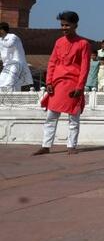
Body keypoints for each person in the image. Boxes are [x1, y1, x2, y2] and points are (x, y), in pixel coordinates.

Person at [33, 11, 92, 155]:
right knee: (51, 116)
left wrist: (80, 86)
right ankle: (46, 146)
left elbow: (85, 67)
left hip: (73, 83)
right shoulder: (59, 42)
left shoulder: (83, 43)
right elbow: (52, 62)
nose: (64, 28)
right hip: (57, 83)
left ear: (75, 25)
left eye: (67, 25)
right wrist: (49, 82)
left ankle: (71, 146)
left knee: (73, 116)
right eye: (62, 25)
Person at [0, 22, 33, 91]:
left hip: (17, 63)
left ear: (2, 30)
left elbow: (9, 45)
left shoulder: (13, 37)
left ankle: (8, 98)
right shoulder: (1, 40)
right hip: (7, 65)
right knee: (1, 81)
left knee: (9, 82)